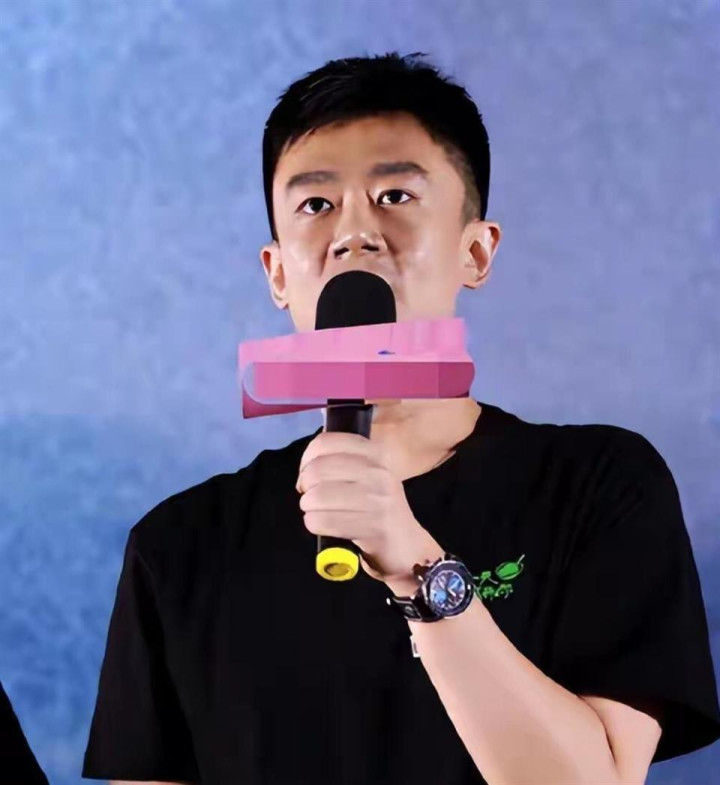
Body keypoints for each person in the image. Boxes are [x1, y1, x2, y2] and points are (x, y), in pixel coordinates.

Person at [82, 52, 720, 785]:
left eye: (394, 195)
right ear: (278, 273)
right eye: (316, 206)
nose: (356, 233)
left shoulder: (601, 486)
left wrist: (417, 566)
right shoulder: (179, 546)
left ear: (475, 251)